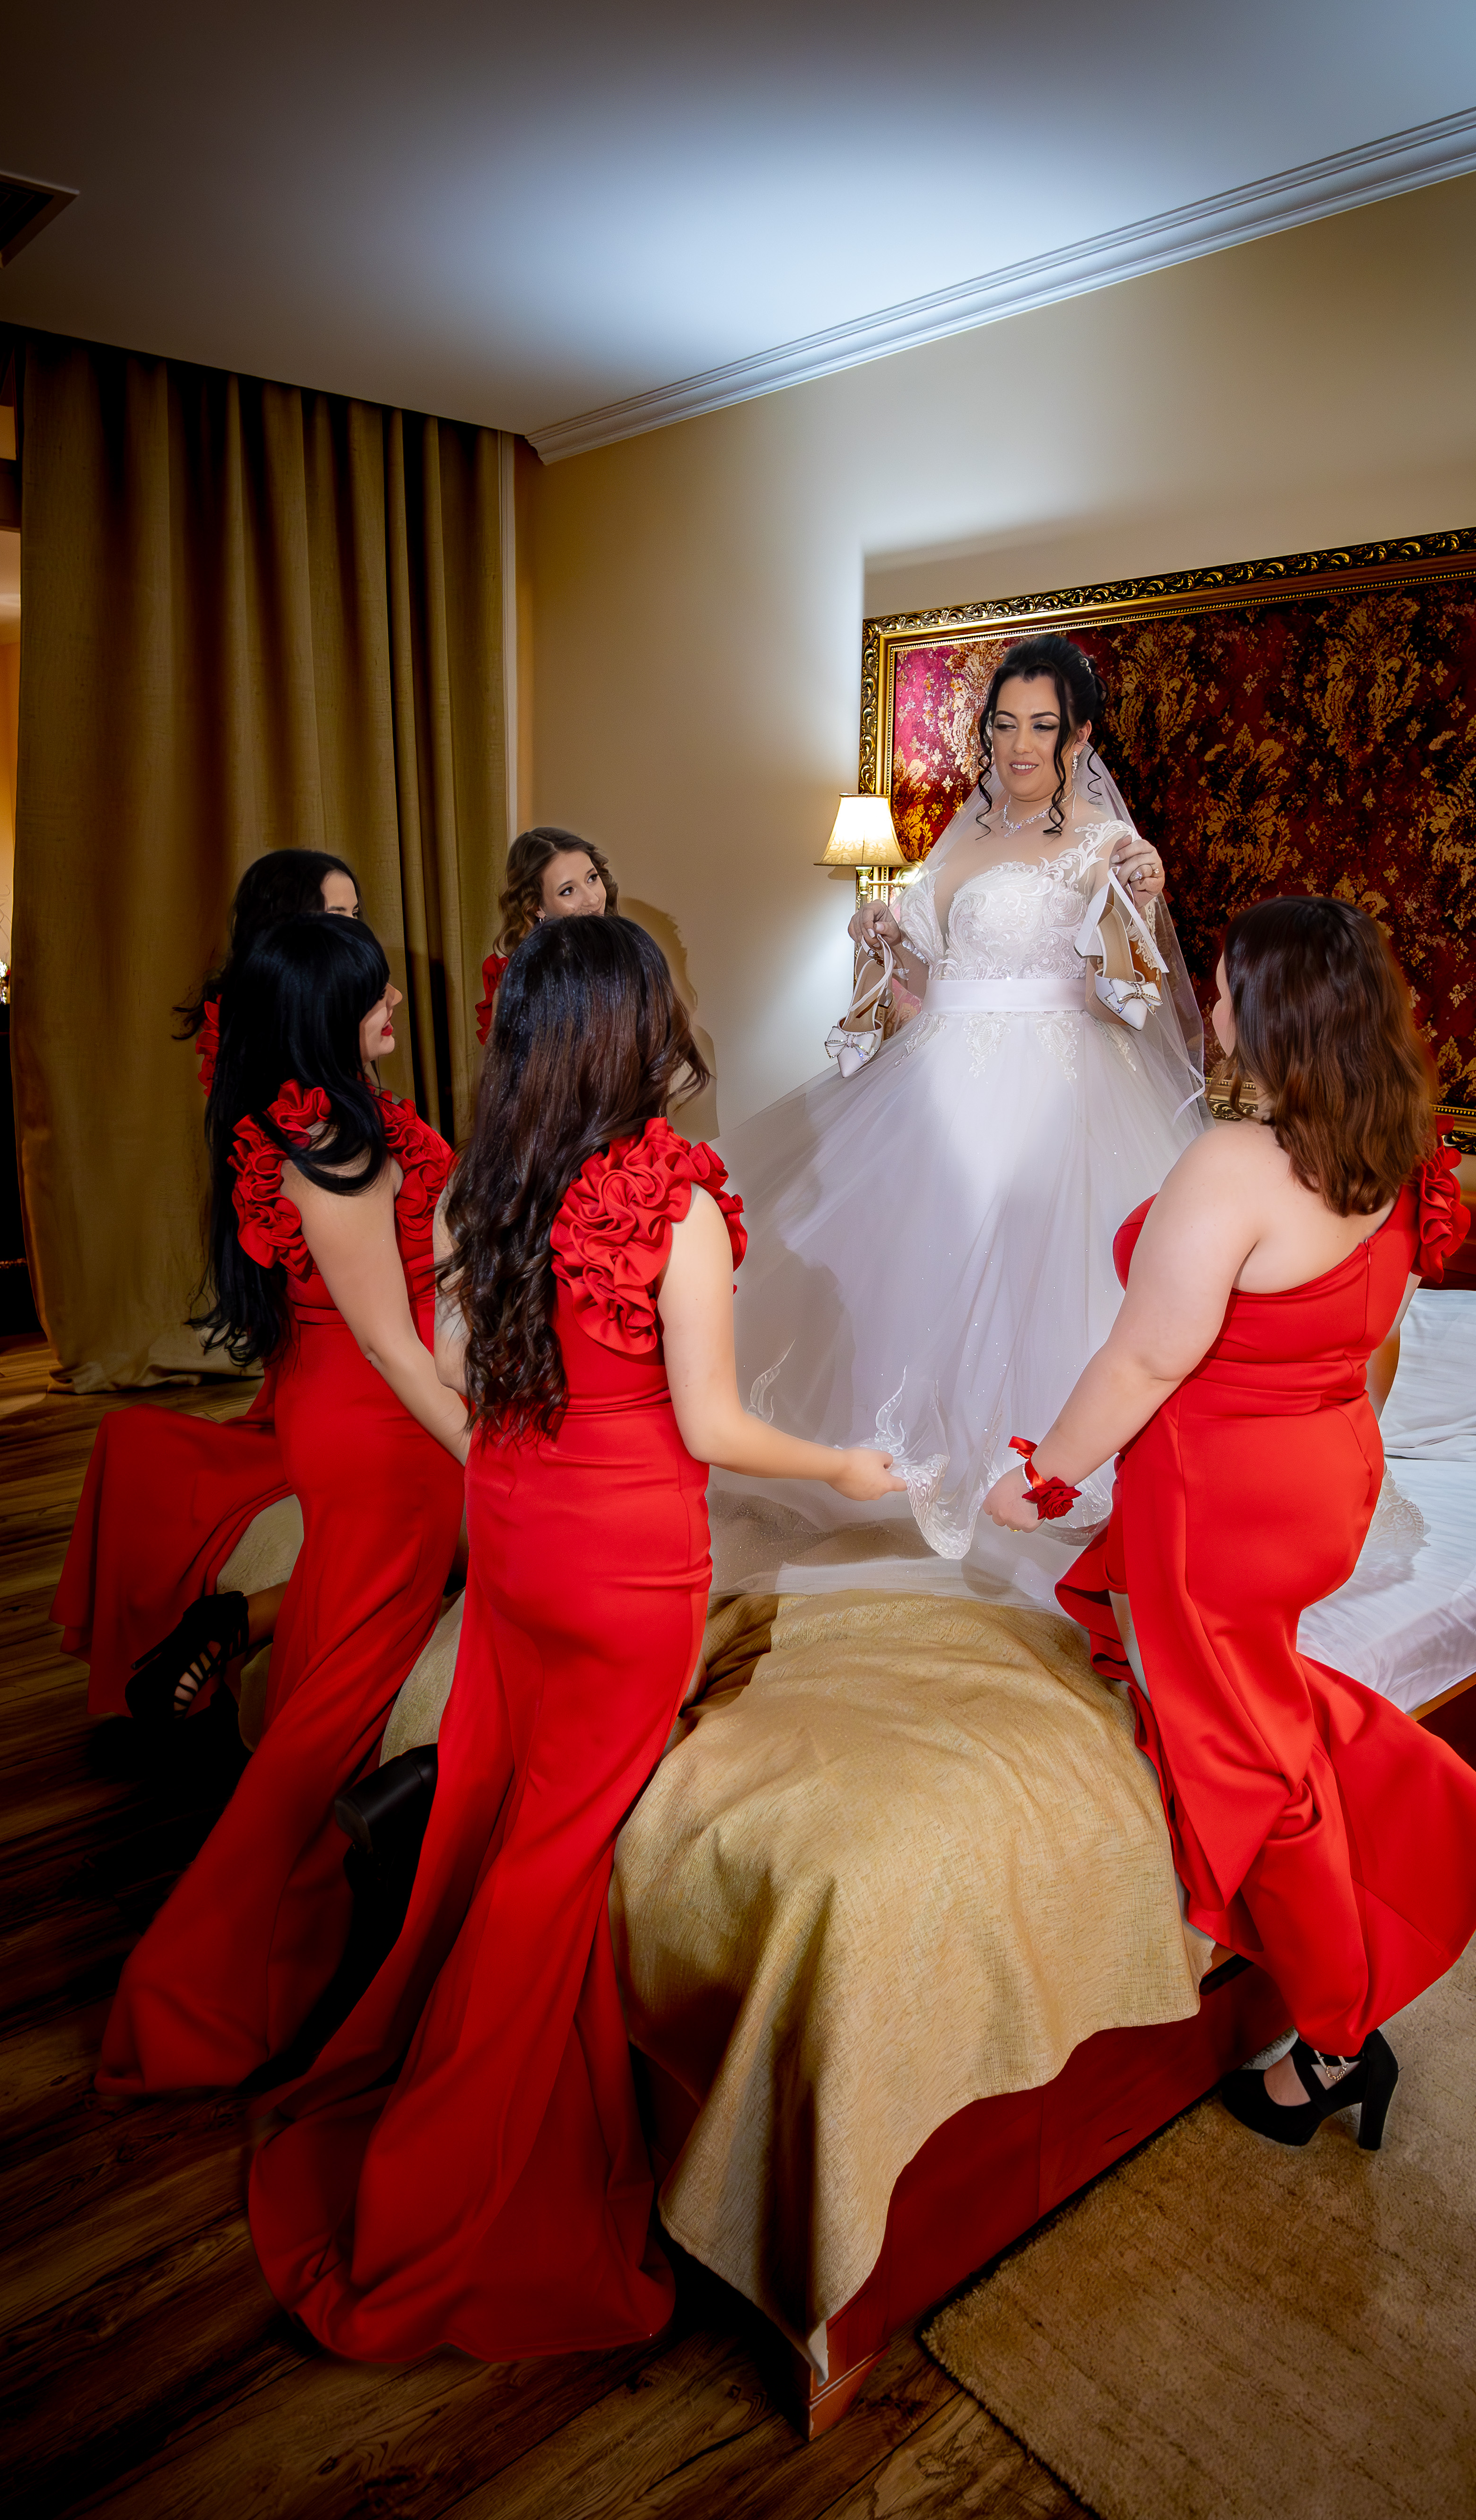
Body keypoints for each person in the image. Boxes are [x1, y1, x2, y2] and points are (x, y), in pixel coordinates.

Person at [248, 913, 901, 2361]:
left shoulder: (472, 1186)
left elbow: (459, 1377)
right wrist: (845, 1467)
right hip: (623, 1575)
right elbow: (712, 1427)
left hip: (513, 1541)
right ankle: (434, 2180)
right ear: (634, 1033)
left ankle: (471, 2091)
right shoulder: (675, 1203)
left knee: (506, 1813)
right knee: (547, 1873)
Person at [987, 895, 1476, 2146]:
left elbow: (1144, 1359)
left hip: (1220, 1502)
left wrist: (1042, 1477)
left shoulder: (1237, 1163)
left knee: (1248, 1760)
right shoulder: (1394, 1152)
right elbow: (1368, 1341)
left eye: (1225, 983)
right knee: (1251, 1695)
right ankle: (1398, 1829)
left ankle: (1336, 2036)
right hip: (1321, 1477)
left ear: (1276, 1009)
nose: (1209, 1000)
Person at [708, 632, 1210, 1603]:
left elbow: (1129, 997)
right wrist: (880, 934)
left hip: (1055, 1091)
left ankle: (1022, 1484)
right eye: (1003, 724)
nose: (1018, 745)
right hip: (934, 1086)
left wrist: (1140, 899)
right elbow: (926, 978)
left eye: (1041, 726)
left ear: (1078, 738)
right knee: (899, 1265)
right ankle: (899, 1472)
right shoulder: (961, 832)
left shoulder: (1109, 848)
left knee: (1029, 1274)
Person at [97, 914, 469, 2095]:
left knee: (327, 1660)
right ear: (324, 1012)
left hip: (352, 1406)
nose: (393, 1001)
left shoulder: (341, 1120)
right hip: (380, 1428)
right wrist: (490, 1454)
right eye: (374, 991)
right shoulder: (332, 1152)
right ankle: (201, 1984)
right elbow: (397, 1348)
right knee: (336, 1707)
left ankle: (274, 1957)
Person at [55, 849, 365, 1724]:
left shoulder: (293, 1047)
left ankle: (238, 1619)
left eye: (356, 915)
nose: (357, 933)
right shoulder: (294, 1089)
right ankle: (244, 1619)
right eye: (338, 916)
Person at [473, 825, 616, 1044]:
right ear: (536, 907)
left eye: (592, 878)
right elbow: (504, 1062)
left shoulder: (629, 952)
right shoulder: (519, 983)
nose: (593, 899)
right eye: (568, 891)